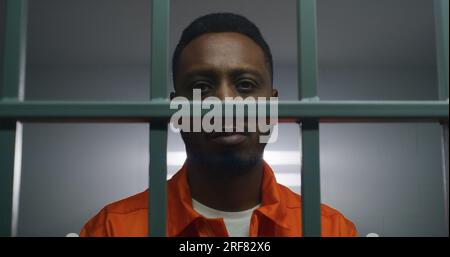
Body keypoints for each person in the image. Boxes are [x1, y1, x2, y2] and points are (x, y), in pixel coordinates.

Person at [80, 13, 357, 237]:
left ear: (273, 106)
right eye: (202, 86)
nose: (225, 102)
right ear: (177, 110)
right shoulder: (112, 230)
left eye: (245, 85)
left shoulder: (332, 230)